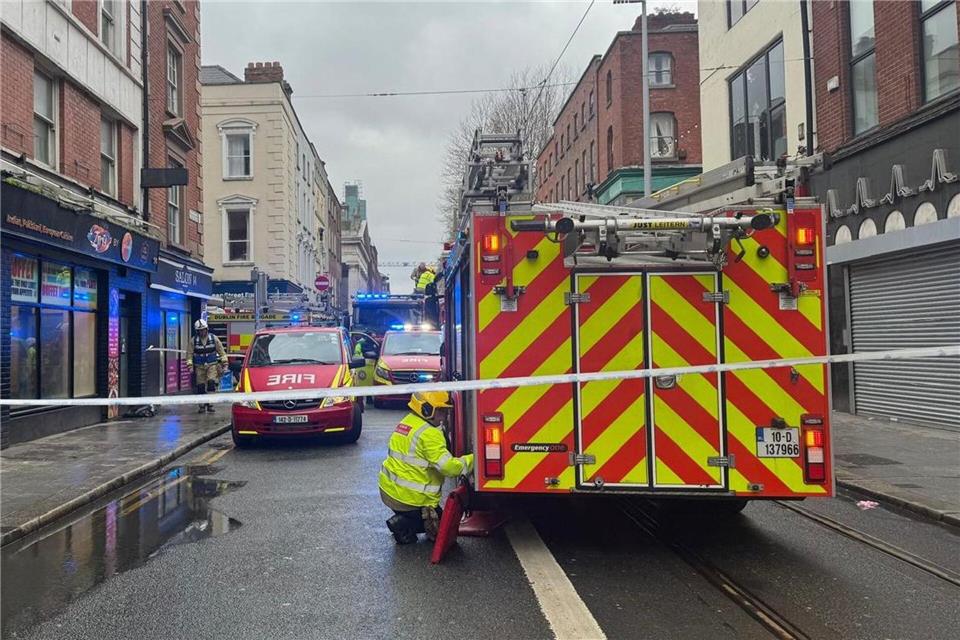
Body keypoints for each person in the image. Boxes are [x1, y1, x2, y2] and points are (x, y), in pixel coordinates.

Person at [379, 391, 474, 544]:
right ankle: (403, 524)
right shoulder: (429, 434)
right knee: (442, 529)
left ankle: (407, 520)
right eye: (441, 411)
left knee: (437, 522)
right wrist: (472, 459)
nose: (444, 416)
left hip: (389, 491)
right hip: (409, 499)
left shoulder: (409, 421)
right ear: (427, 410)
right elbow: (450, 468)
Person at [186, 318, 228, 413]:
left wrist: (225, 364)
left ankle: (210, 404)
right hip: (199, 366)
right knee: (200, 386)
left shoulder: (214, 338)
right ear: (197, 331)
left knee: (211, 383)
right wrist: (190, 366)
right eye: (200, 330)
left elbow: (222, 352)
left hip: (212, 365)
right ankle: (201, 405)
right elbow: (189, 354)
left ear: (206, 329)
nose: (202, 332)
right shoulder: (193, 341)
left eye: (203, 330)